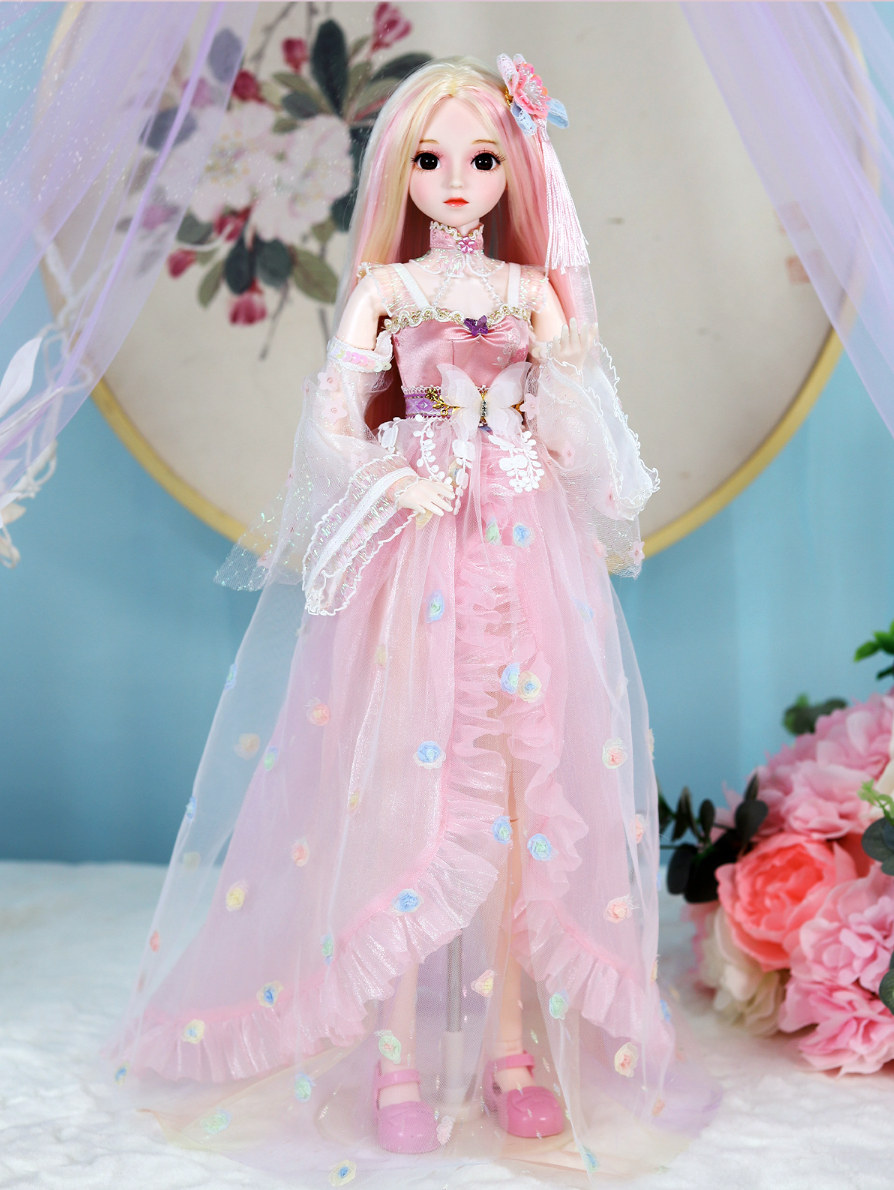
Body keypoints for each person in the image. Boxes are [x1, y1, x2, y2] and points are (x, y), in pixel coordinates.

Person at [114, 55, 716, 1185]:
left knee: (524, 805)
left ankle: (509, 1050)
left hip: (523, 552)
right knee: (406, 792)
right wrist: (392, 474)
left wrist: (551, 412)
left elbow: (583, 414)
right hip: (421, 550)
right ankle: (395, 1060)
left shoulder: (531, 289)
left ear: (515, 170)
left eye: (483, 159)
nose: (456, 181)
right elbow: (333, 422)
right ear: (401, 168)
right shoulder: (386, 291)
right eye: (432, 159)